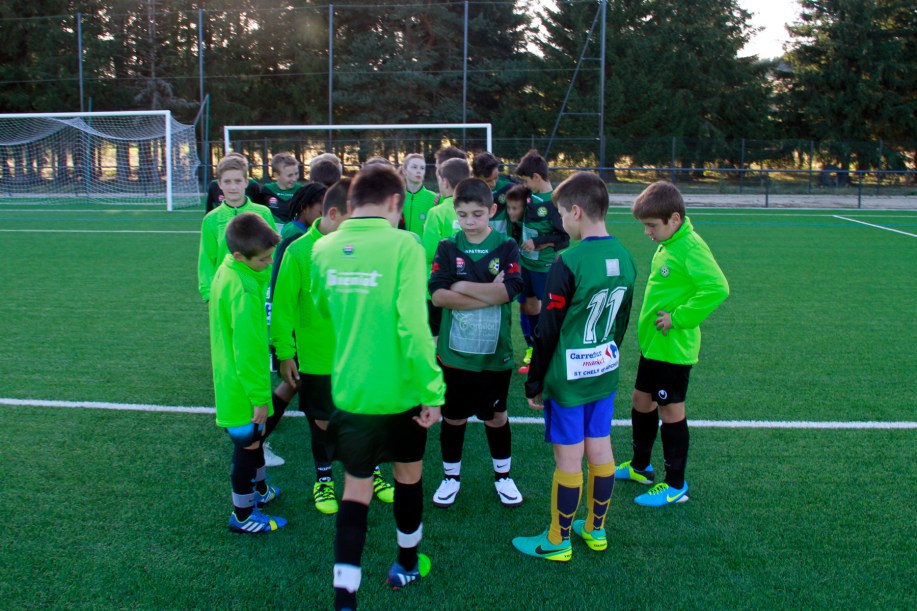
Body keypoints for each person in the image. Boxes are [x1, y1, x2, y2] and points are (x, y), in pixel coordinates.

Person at [311, 165, 445, 610]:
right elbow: (414, 325)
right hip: (401, 394)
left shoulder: (324, 247)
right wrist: (433, 391)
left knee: (356, 491)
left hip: (351, 393)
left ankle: (345, 598)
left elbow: (322, 307)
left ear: (350, 204)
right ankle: (406, 563)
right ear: (395, 202)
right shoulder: (405, 244)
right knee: (408, 477)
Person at [512, 172, 636, 561]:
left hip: (569, 377)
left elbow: (547, 330)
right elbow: (620, 323)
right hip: (603, 369)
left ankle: (557, 539)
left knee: (569, 457)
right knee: (600, 447)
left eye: (563, 214)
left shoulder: (568, 261)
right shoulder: (626, 257)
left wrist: (535, 381)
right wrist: (605, 354)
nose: (562, 222)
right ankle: (596, 530)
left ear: (577, 211)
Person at [271, 179, 395, 515]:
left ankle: (371, 473)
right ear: (334, 213)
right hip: (318, 359)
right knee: (323, 423)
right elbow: (282, 308)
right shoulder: (298, 251)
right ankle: (324, 481)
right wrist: (285, 353)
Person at [615, 180, 729, 507]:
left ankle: (676, 485)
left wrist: (677, 318)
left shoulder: (690, 247)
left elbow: (717, 288)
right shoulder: (668, 243)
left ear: (674, 219)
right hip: (654, 346)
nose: (647, 232)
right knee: (641, 400)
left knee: (670, 410)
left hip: (673, 349)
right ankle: (640, 467)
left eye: (652, 225)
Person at [428, 178, 525, 509]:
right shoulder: (448, 246)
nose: (469, 221)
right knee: (453, 418)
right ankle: (450, 478)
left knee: (496, 417)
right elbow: (438, 296)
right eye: (463, 214)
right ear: (455, 212)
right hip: (454, 355)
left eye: (477, 214)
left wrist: (460, 286)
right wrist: (488, 292)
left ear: (492, 211)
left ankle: (503, 477)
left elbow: (510, 290)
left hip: (495, 355)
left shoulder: (506, 246)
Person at [209, 212, 287, 534]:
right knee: (248, 446)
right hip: (242, 387)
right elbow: (249, 351)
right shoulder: (244, 290)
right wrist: (258, 398)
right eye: (263, 259)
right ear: (241, 256)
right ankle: (242, 515)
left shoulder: (231, 269)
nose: (269, 263)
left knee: (255, 439)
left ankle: (260, 491)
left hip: (233, 379)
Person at [504, 183, 569, 374]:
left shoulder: (545, 211)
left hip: (544, 269)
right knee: (525, 306)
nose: (510, 212)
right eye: (508, 208)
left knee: (548, 309)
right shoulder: (519, 223)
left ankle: (550, 351)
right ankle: (532, 347)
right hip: (525, 268)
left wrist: (540, 242)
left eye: (514, 208)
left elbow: (564, 239)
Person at [198, 155, 278, 303]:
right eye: (227, 182)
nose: (233, 187)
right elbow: (206, 259)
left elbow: (273, 251)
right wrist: (208, 293)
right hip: (224, 290)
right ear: (219, 184)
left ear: (246, 182)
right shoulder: (211, 219)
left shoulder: (263, 213)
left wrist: (268, 285)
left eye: (238, 181)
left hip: (257, 289)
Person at [421, 158, 470, 337]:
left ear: (445, 182)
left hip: (438, 287)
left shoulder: (437, 213)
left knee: (436, 336)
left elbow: (429, 252)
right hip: (465, 285)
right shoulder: (473, 211)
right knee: (459, 334)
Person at [471, 152, 517, 235]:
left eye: (496, 178)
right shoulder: (467, 191)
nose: (494, 184)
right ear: (476, 177)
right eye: (488, 181)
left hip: (503, 240)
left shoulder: (509, 187)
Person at [259, 152, 302, 227]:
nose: (294, 179)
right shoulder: (267, 190)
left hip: (294, 230)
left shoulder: (301, 190)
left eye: (296, 174)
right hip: (272, 230)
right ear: (276, 175)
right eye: (290, 175)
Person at [400, 153, 436, 237]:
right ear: (404, 171)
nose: (419, 171)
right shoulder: (397, 198)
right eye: (414, 167)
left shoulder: (434, 198)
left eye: (422, 168)